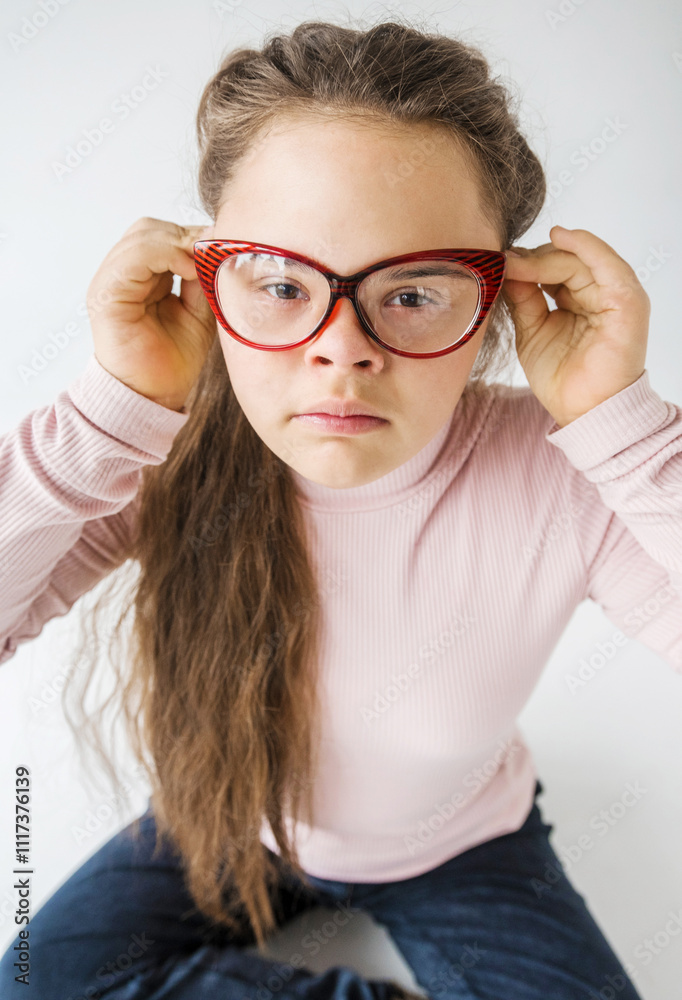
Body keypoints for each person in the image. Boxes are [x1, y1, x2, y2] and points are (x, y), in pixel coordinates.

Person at [0, 17, 679, 1000]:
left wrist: (627, 429)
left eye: (414, 293)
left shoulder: (563, 471)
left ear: (495, 301)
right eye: (282, 283)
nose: (341, 348)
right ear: (208, 279)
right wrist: (105, 416)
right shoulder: (155, 448)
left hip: (461, 846)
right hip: (227, 817)